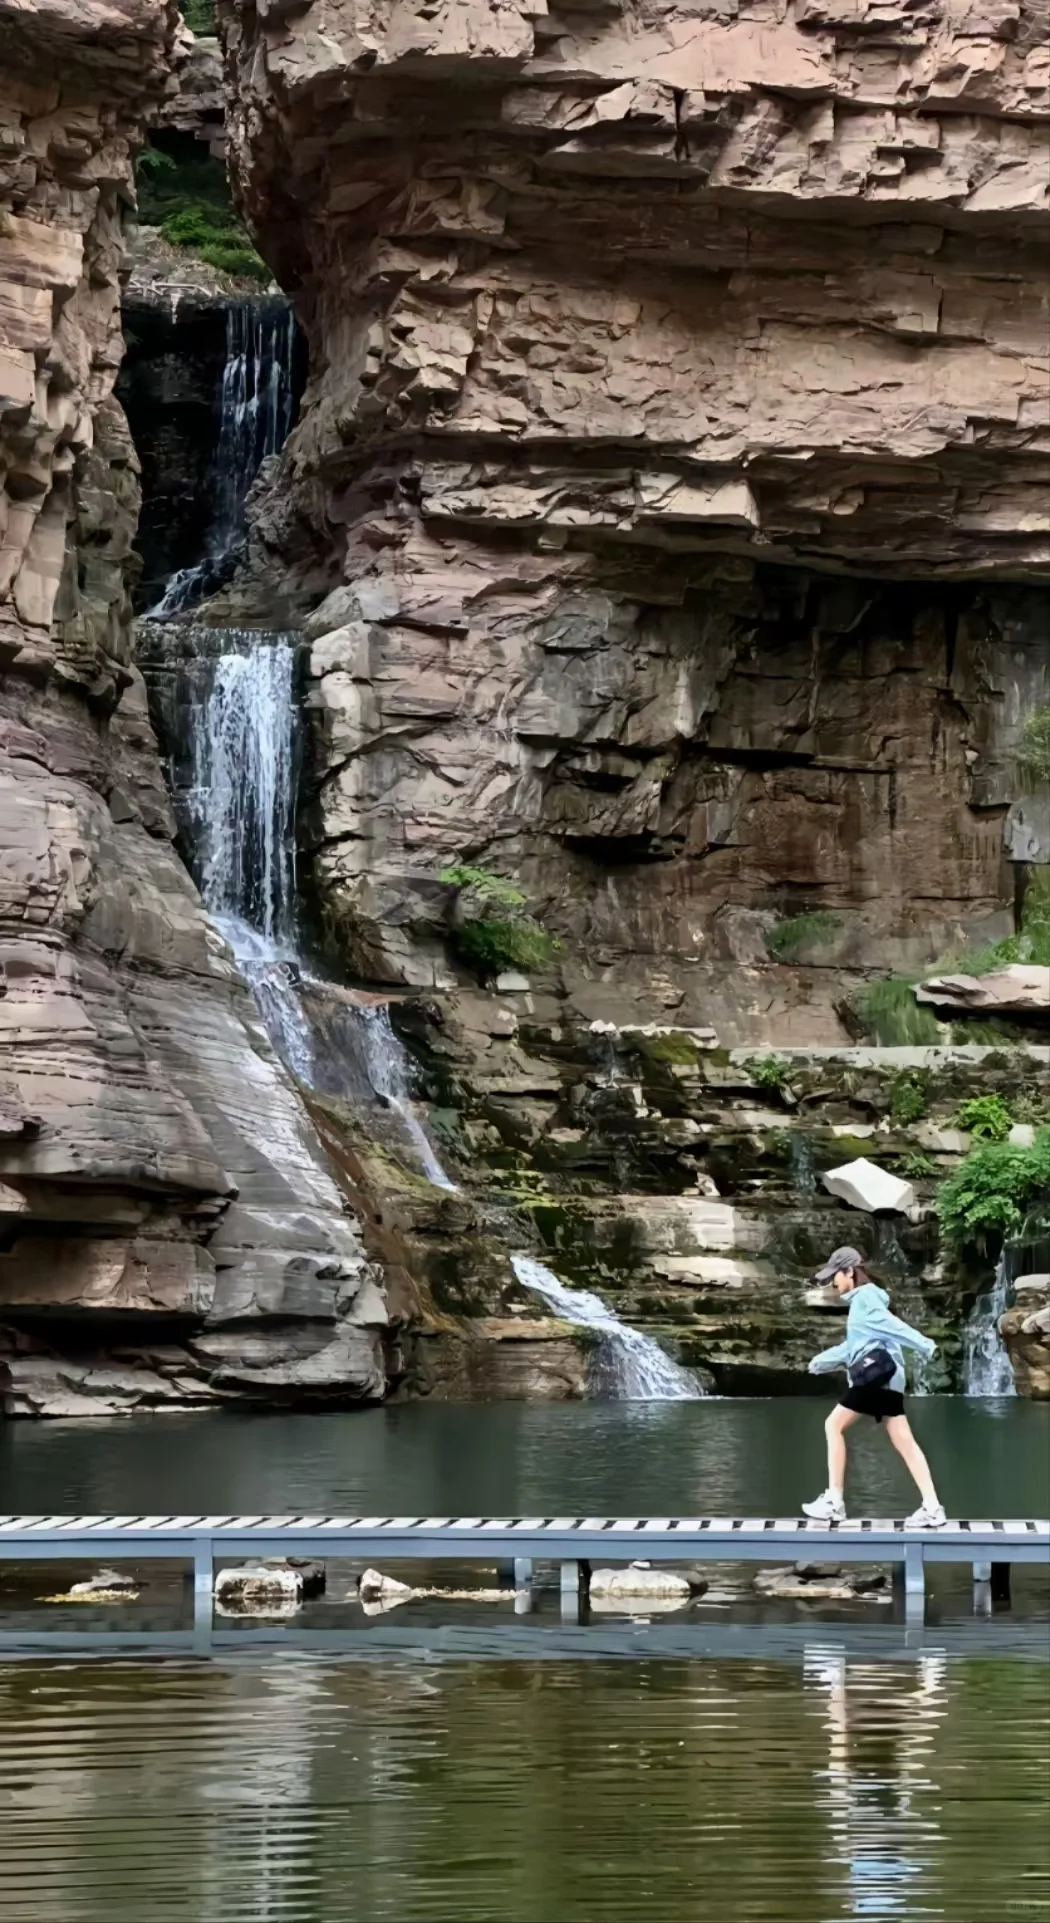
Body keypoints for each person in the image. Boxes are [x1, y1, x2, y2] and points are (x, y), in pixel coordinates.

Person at [802, 1246, 946, 1528]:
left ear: (849, 1272)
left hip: (875, 1376)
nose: (833, 1283)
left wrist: (926, 1345)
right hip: (889, 1378)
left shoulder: (865, 1299)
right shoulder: (864, 1301)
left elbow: (892, 1326)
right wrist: (821, 1361)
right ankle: (932, 1507)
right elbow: (855, 1346)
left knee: (834, 1425)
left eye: (836, 1276)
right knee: (904, 1439)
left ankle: (834, 1501)